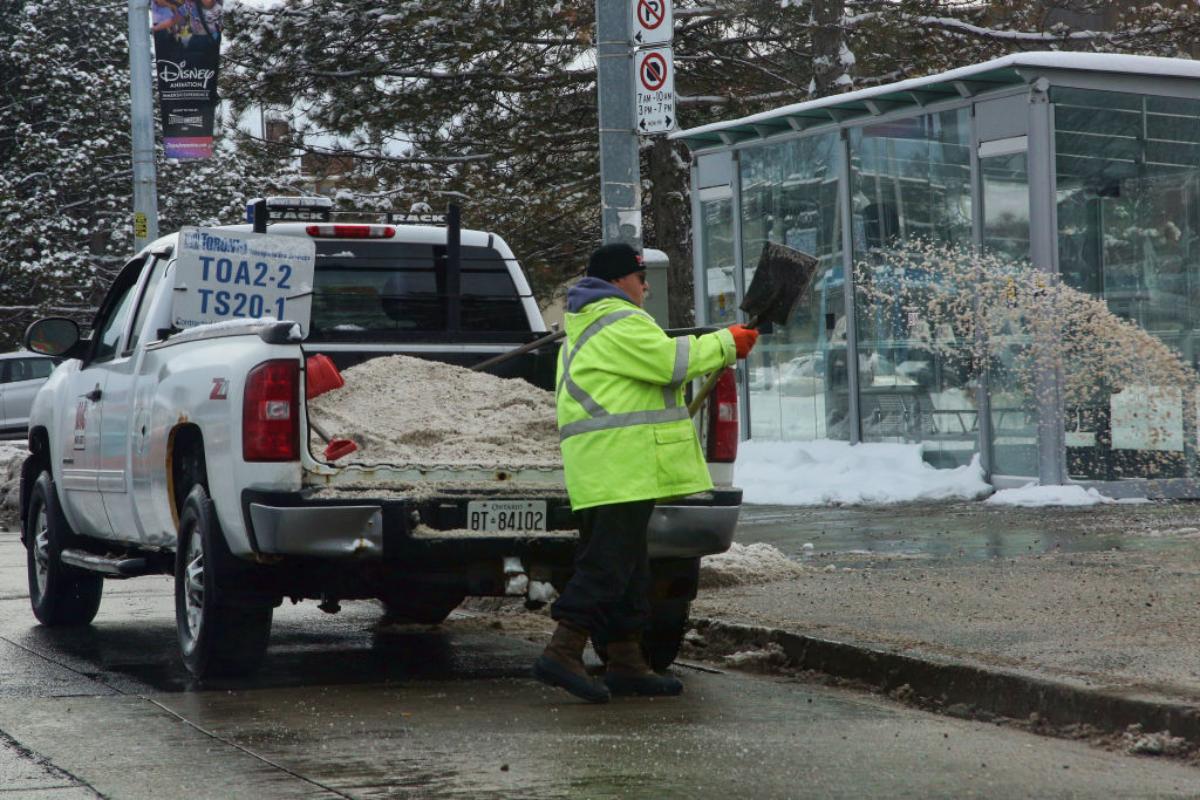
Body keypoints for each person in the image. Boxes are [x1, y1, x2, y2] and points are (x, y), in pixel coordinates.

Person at [533, 242, 759, 703]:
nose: (645, 285)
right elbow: (668, 361)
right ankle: (563, 649)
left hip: (610, 467)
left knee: (631, 568)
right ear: (619, 280)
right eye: (640, 277)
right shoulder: (617, 318)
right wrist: (725, 342)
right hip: (619, 465)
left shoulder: (593, 320)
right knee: (607, 566)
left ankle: (626, 660)